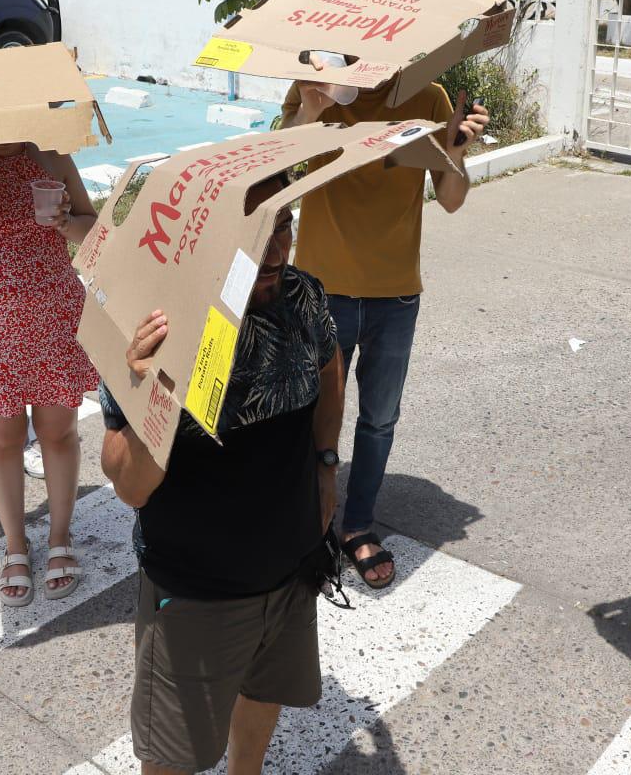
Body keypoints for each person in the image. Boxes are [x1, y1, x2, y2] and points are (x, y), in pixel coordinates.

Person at [100, 172, 346, 775]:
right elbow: (129, 483)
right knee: (174, 757)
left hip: (291, 572)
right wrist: (152, 386)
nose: (273, 249)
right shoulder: (155, 321)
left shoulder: (302, 295)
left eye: (283, 226)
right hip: (195, 595)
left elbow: (331, 371)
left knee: (263, 701)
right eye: (254, 231)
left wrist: (325, 463)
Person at [279, 69, 488, 588]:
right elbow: (278, 166)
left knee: (379, 418)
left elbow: (453, 197)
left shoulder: (429, 96)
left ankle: (356, 524)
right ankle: (305, 523)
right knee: (308, 412)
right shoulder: (318, 88)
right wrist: (308, 109)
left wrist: (458, 150)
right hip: (321, 291)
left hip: (395, 292)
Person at [0, 139, 99, 604]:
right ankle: (14, 544)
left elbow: (94, 231)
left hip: (53, 309)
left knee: (57, 433)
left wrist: (65, 220)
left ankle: (60, 538)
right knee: (2, 440)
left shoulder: (51, 152)